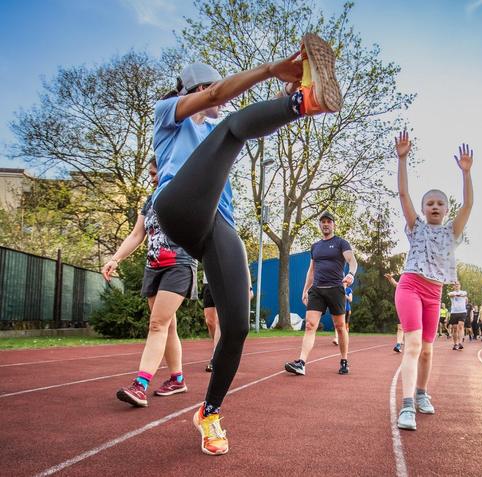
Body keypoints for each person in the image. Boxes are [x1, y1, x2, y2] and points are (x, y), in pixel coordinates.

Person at [151, 33, 343, 455]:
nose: (215, 95)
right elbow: (224, 98)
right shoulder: (169, 116)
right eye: (206, 90)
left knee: (236, 328)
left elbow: (251, 119)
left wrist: (289, 90)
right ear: (190, 92)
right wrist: (276, 73)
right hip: (178, 207)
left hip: (216, 229)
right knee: (232, 129)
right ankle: (305, 104)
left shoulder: (224, 128)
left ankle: (210, 412)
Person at [393, 130, 473, 430]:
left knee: (427, 349)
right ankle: (407, 406)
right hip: (411, 285)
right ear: (424, 210)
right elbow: (403, 195)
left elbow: (468, 206)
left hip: (434, 292)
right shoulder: (416, 227)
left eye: (440, 203)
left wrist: (466, 174)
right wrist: (402, 159)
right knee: (413, 345)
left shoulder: (453, 232)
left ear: (446, 209)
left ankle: (423, 393)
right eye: (430, 203)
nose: (435, 206)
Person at [105, 159, 198, 407]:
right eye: (150, 173)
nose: (152, 177)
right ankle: (177, 379)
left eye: (155, 173)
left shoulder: (185, 192)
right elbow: (137, 234)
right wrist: (116, 258)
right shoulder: (150, 200)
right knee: (167, 326)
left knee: (157, 324)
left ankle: (140, 385)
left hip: (179, 264)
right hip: (153, 267)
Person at [285, 211, 358, 376]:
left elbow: (352, 261)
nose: (326, 224)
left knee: (340, 327)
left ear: (333, 225)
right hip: (317, 290)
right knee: (310, 326)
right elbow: (311, 270)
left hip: (336, 289)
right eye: (323, 221)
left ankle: (344, 360)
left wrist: (351, 274)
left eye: (329, 221)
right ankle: (301, 362)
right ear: (320, 225)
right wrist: (305, 290)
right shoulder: (315, 247)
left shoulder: (341, 243)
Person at [202, 271, 254, 372]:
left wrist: (249, 286)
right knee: (210, 321)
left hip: (225, 281)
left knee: (219, 320)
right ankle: (220, 348)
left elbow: (243, 263)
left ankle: (215, 357)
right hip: (208, 282)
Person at [385, 273, 405, 352]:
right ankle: (398, 345)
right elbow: (395, 283)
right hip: (401, 309)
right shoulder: (402, 285)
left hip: (412, 309)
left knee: (410, 329)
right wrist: (390, 278)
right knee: (400, 328)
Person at [448, 282, 469, 350]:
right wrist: (457, 295)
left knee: (461, 326)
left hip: (462, 311)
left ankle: (460, 343)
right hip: (454, 312)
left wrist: (457, 295)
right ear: (453, 286)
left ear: (460, 286)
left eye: (458, 285)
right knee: (454, 328)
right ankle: (455, 343)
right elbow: (450, 295)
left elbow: (464, 294)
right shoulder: (451, 292)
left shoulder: (463, 292)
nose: (457, 286)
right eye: (455, 285)